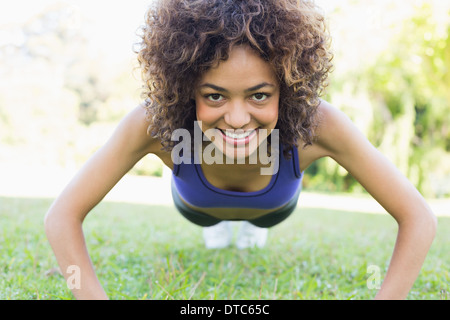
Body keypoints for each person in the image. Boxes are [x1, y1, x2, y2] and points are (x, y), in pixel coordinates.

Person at [44, 0, 436, 300]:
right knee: (214, 225)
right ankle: (225, 227)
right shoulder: (153, 124)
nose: (235, 118)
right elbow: (62, 216)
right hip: (196, 206)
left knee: (252, 226)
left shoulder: (320, 125)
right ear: (185, 91)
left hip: (273, 210)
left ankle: (246, 228)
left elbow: (418, 217)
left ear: (288, 87)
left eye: (259, 95)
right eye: (214, 95)